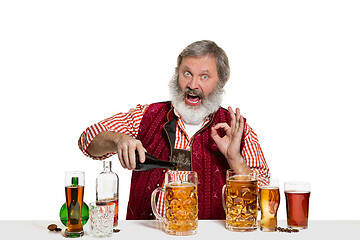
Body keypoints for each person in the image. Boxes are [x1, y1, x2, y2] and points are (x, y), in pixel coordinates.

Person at [78, 40, 270, 220]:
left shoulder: (237, 128)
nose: (193, 85)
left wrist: (234, 159)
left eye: (204, 76)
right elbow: (87, 140)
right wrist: (118, 140)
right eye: (187, 73)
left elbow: (263, 202)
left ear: (221, 82)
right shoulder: (146, 115)